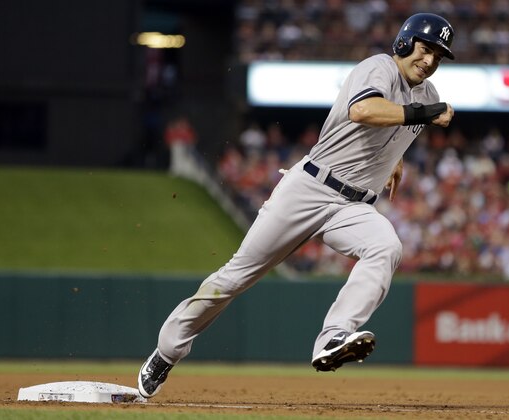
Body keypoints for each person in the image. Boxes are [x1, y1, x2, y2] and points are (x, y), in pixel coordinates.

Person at [137, 12, 455, 398]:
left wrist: (394, 160)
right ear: (405, 42)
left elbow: (392, 127)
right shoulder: (380, 67)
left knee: (386, 247)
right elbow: (363, 110)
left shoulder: (428, 95)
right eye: (426, 49)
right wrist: (421, 115)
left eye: (439, 55)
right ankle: (167, 351)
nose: (430, 60)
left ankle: (333, 337)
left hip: (354, 206)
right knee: (235, 277)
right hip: (309, 188)